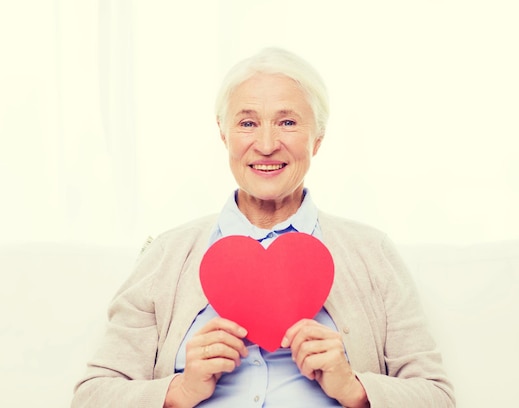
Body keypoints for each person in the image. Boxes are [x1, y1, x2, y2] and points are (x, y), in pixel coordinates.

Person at [71, 47, 455, 408]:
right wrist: (181, 390)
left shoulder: (373, 253)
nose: (267, 144)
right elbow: (92, 396)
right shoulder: (167, 256)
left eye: (287, 122)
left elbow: (438, 396)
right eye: (248, 123)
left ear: (317, 138)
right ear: (224, 134)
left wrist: (355, 388)